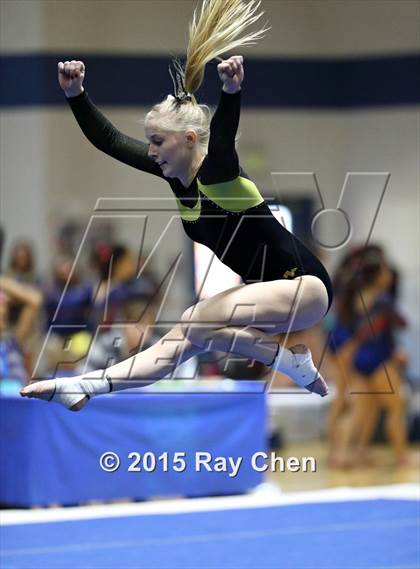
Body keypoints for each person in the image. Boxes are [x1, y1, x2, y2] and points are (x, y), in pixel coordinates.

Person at [21, 0, 333, 411]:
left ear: (189, 139)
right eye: (149, 141)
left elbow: (222, 137)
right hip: (265, 293)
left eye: (157, 142)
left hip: (304, 286)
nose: (150, 152)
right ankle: (87, 386)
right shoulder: (173, 175)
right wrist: (75, 95)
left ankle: (287, 361)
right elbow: (111, 142)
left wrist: (231, 92)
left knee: (194, 319)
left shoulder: (219, 174)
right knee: (182, 338)